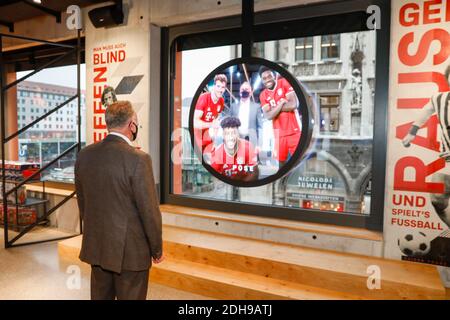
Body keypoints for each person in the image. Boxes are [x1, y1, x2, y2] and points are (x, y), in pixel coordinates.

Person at [75, 101, 164, 300]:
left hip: (97, 246)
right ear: (131, 124)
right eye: (137, 124)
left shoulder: (85, 155)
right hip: (132, 252)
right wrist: (156, 248)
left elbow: (83, 203)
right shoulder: (139, 159)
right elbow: (149, 211)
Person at [402, 64, 450, 228]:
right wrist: (411, 133)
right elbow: (424, 112)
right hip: (449, 159)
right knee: (437, 199)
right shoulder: (439, 99)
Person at [258, 66, 301, 167]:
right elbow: (268, 116)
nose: (267, 80)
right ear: (261, 80)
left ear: (275, 76)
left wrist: (274, 110)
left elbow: (294, 104)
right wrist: (280, 103)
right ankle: (281, 183)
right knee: (281, 165)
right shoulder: (263, 95)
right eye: (264, 78)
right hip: (278, 135)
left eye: (269, 76)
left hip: (294, 131)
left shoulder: (284, 82)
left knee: (299, 163)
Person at [210, 116, 259, 181]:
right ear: (223, 136)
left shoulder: (248, 146)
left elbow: (254, 172)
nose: (231, 137)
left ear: (238, 134)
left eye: (234, 133)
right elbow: (215, 180)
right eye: (227, 134)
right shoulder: (217, 154)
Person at [193, 74, 228, 155]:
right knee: (202, 157)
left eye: (223, 87)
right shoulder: (203, 98)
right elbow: (195, 122)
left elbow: (216, 121)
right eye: (218, 86)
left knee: (212, 154)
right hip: (196, 132)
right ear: (214, 86)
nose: (220, 90)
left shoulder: (221, 101)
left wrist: (215, 141)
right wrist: (211, 124)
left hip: (206, 133)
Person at [223, 81, 263, 148]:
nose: (244, 91)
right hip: (236, 138)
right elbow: (227, 124)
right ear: (239, 91)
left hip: (252, 140)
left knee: (251, 158)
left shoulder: (256, 107)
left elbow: (260, 127)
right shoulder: (233, 106)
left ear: (250, 92)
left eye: (247, 89)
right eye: (242, 89)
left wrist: (260, 144)